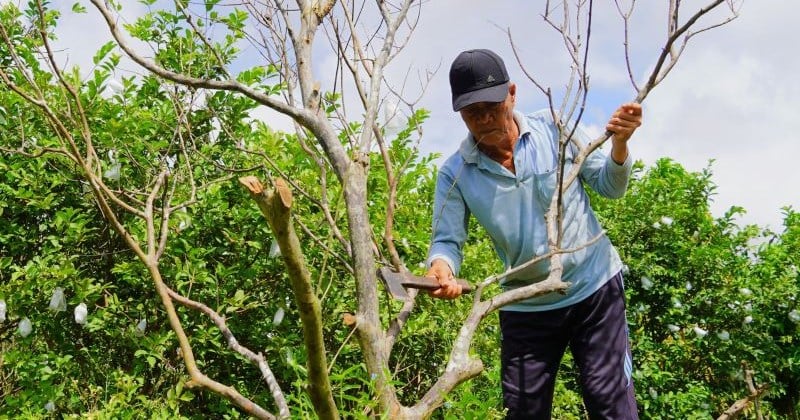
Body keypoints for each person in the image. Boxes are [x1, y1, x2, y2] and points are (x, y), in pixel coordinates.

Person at [425, 48, 642, 419]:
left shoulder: (555, 130)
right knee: (523, 410)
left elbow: (609, 185)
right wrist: (441, 268)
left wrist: (620, 145)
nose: (485, 119)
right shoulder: (455, 173)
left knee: (609, 404)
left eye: (492, 106)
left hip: (594, 290)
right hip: (526, 303)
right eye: (472, 113)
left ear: (512, 93)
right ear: (459, 113)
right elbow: (446, 241)